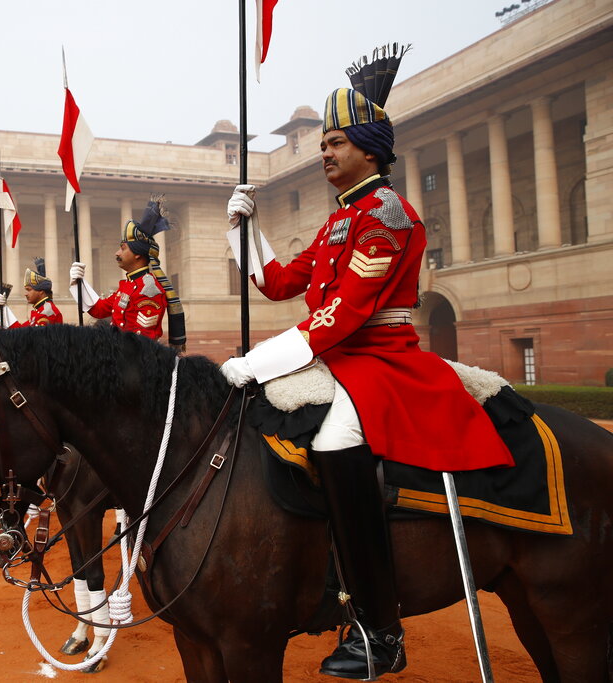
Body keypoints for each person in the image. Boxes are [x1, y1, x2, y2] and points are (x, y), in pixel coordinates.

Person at [220, 45, 514, 680]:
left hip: (380, 361)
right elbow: (275, 283)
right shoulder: (338, 222)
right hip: (340, 358)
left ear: (369, 147)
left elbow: (346, 315)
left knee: (333, 441)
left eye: (334, 142)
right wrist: (246, 232)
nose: (323, 153)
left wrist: (259, 359)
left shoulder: (386, 214)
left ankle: (380, 627)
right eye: (322, 143)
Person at [68, 196, 186, 351]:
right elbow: (99, 309)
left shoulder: (149, 290)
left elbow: (141, 342)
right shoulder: (127, 286)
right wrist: (78, 283)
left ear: (137, 254)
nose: (117, 253)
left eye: (123, 248)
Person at [0, 258, 63, 327]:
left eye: (29, 290)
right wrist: (3, 309)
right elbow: (19, 330)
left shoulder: (47, 312)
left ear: (41, 291)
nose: (26, 294)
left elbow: (21, 336)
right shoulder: (40, 311)